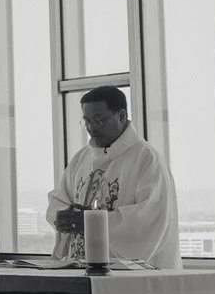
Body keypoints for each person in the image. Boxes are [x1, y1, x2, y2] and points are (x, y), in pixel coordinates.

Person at [47, 86, 181, 268]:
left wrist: (90, 223)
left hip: (131, 280)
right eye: (86, 121)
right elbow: (59, 200)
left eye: (98, 121)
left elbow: (149, 220)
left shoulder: (146, 158)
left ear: (122, 116)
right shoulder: (82, 158)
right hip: (80, 272)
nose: (91, 128)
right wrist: (64, 217)